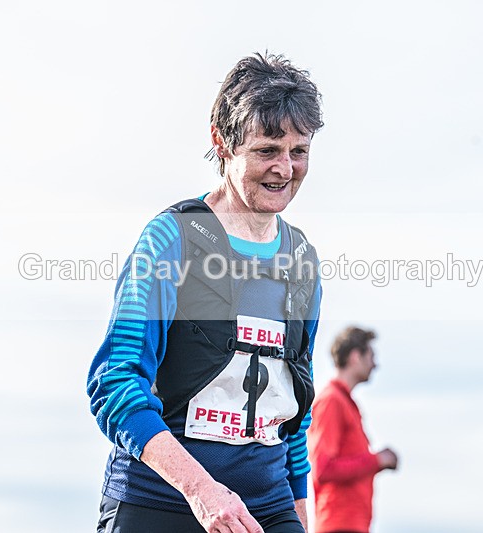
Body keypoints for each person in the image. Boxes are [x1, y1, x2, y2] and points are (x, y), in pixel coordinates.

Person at [87, 52, 324, 533]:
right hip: (160, 503)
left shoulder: (302, 259)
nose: (284, 168)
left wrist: (301, 519)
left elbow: (293, 417)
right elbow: (114, 384)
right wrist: (201, 489)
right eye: (267, 150)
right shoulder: (170, 238)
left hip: (266, 508)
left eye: (298, 151)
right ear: (222, 143)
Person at [307, 327, 399, 533]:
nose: (375, 364)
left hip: (350, 525)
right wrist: (376, 460)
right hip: (338, 524)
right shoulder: (332, 401)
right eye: (371, 356)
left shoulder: (345, 403)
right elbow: (323, 468)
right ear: (356, 357)